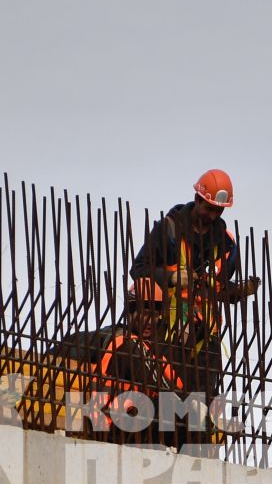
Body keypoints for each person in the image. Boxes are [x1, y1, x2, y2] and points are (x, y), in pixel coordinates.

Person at [128, 169, 262, 424]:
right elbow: (139, 269)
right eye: (209, 207)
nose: (213, 215)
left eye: (218, 210)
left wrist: (237, 291)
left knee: (202, 400)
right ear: (198, 199)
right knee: (166, 393)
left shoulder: (226, 244)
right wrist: (170, 278)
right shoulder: (168, 230)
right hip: (167, 329)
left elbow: (219, 289)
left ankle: (197, 444)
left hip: (205, 335)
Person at [88, 280, 187, 447]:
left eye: (154, 315)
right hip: (114, 429)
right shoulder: (128, 344)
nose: (149, 321)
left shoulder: (153, 352)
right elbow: (168, 393)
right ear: (130, 313)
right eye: (144, 313)